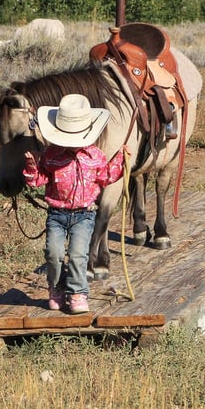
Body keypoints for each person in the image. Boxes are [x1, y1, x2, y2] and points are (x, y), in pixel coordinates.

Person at [23, 94, 129, 314]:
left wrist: (120, 159)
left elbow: (106, 176)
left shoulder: (96, 156)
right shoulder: (51, 156)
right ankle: (57, 288)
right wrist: (33, 166)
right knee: (53, 253)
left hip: (84, 214)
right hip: (57, 214)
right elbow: (38, 181)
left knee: (78, 254)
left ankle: (78, 292)